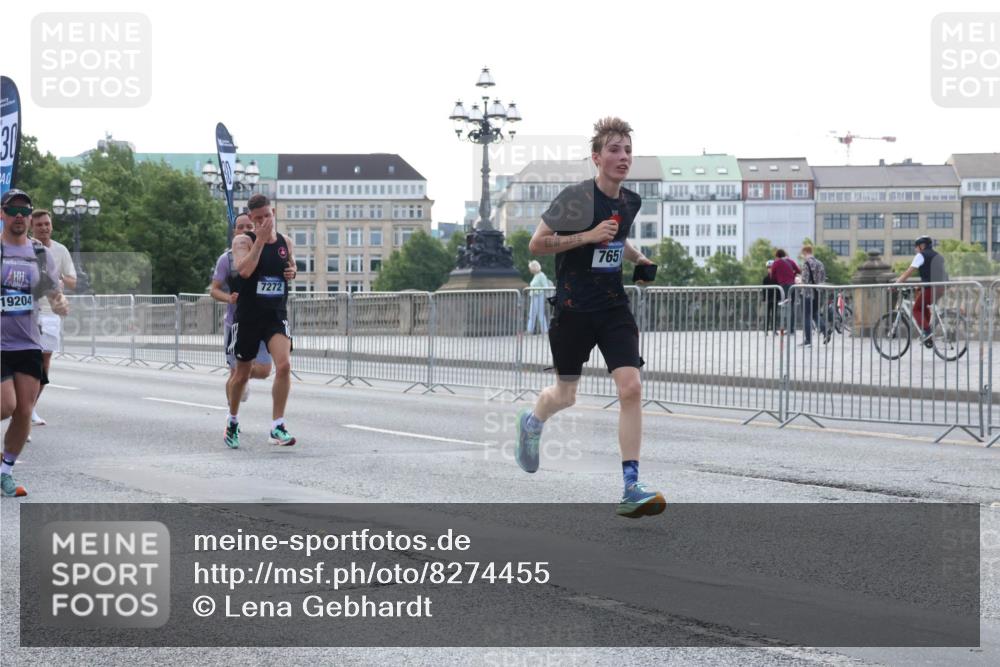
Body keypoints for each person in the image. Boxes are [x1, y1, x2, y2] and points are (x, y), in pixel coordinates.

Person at [515, 117, 663, 519]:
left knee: (630, 388)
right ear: (596, 157)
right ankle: (532, 421)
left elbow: (618, 238)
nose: (623, 157)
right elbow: (538, 243)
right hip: (572, 310)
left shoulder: (630, 201)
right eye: (614, 150)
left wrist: (639, 258)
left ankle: (631, 485)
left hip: (613, 306)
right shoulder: (575, 198)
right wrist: (586, 236)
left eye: (628, 150)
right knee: (566, 394)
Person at [1, 189, 70, 497]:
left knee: (25, 411)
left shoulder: (40, 254)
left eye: (24, 210)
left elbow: (53, 291)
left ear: (29, 217)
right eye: (12, 209)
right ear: (2, 214)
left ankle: (6, 471)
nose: (19, 215)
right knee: (6, 404)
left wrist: (60, 303)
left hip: (28, 340)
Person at [225, 194, 297, 449]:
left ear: (273, 212)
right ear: (251, 219)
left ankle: (277, 425)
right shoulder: (243, 241)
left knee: (284, 365)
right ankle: (232, 420)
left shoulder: (286, 241)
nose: (263, 221)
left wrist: (292, 271)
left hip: (275, 313)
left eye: (267, 216)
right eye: (257, 219)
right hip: (249, 315)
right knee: (242, 373)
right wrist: (261, 241)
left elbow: (291, 267)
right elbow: (244, 270)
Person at [210, 213, 273, 405]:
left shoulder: (265, 254)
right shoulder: (226, 260)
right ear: (235, 233)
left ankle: (241, 375)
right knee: (236, 374)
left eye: (249, 226)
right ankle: (232, 416)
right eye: (240, 227)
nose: (246, 230)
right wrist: (230, 298)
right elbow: (214, 290)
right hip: (236, 324)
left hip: (262, 321)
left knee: (264, 371)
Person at [28, 209, 77, 425]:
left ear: (52, 225)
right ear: (32, 227)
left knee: (44, 364)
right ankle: (22, 409)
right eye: (39, 225)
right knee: (27, 361)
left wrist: (58, 278)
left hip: (51, 313)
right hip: (28, 312)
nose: (44, 228)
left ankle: (30, 408)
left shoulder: (60, 250)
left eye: (47, 224)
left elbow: (74, 281)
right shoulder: (25, 247)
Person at [896, 236, 947, 348]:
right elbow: (932, 274)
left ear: (922, 246)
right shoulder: (938, 255)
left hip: (931, 288)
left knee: (916, 309)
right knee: (924, 307)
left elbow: (909, 272)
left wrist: (896, 283)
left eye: (916, 247)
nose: (916, 249)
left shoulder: (921, 255)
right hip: (941, 287)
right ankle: (928, 334)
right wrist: (919, 286)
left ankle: (927, 332)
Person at [799, 245, 831, 347]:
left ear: (805, 252)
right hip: (817, 293)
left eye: (802, 254)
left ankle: (808, 340)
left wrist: (798, 281)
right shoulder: (820, 263)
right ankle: (825, 330)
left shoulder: (806, 264)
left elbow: (804, 280)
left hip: (807, 293)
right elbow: (823, 279)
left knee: (806, 316)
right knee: (814, 314)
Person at [770, 248, 800, 334]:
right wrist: (792, 275)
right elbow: (798, 270)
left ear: (777, 256)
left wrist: (779, 278)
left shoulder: (776, 262)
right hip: (793, 285)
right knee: (792, 307)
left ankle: (787, 328)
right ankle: (792, 328)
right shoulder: (790, 261)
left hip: (784, 286)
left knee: (786, 307)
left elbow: (772, 276)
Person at [525, 260, 552, 334]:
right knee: (532, 314)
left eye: (530, 268)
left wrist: (538, 291)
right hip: (534, 296)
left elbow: (546, 286)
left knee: (540, 314)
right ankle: (529, 330)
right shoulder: (536, 276)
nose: (529, 269)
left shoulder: (541, 275)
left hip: (539, 296)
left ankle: (545, 330)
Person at [762, 260, 778, 335]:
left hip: (775, 298)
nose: (770, 269)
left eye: (771, 267)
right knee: (767, 314)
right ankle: (766, 330)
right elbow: (764, 290)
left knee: (774, 315)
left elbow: (778, 289)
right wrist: (764, 298)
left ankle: (774, 329)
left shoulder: (776, 278)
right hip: (768, 299)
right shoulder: (765, 278)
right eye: (768, 267)